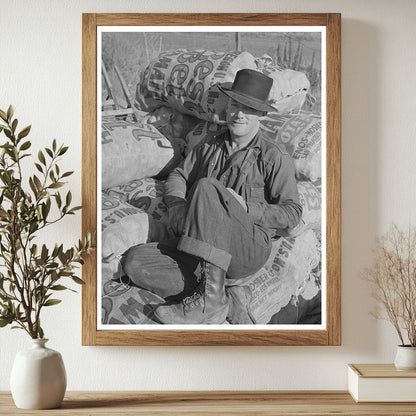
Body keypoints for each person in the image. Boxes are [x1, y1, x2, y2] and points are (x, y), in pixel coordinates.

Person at [122, 68, 302, 324]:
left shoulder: (273, 156)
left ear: (261, 114)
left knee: (206, 187)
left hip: (246, 248)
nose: (239, 114)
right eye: (234, 105)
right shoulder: (209, 144)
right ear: (227, 106)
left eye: (248, 109)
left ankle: (210, 300)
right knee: (136, 262)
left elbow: (293, 213)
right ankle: (219, 295)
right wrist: (177, 206)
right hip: (200, 245)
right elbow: (179, 176)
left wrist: (248, 208)